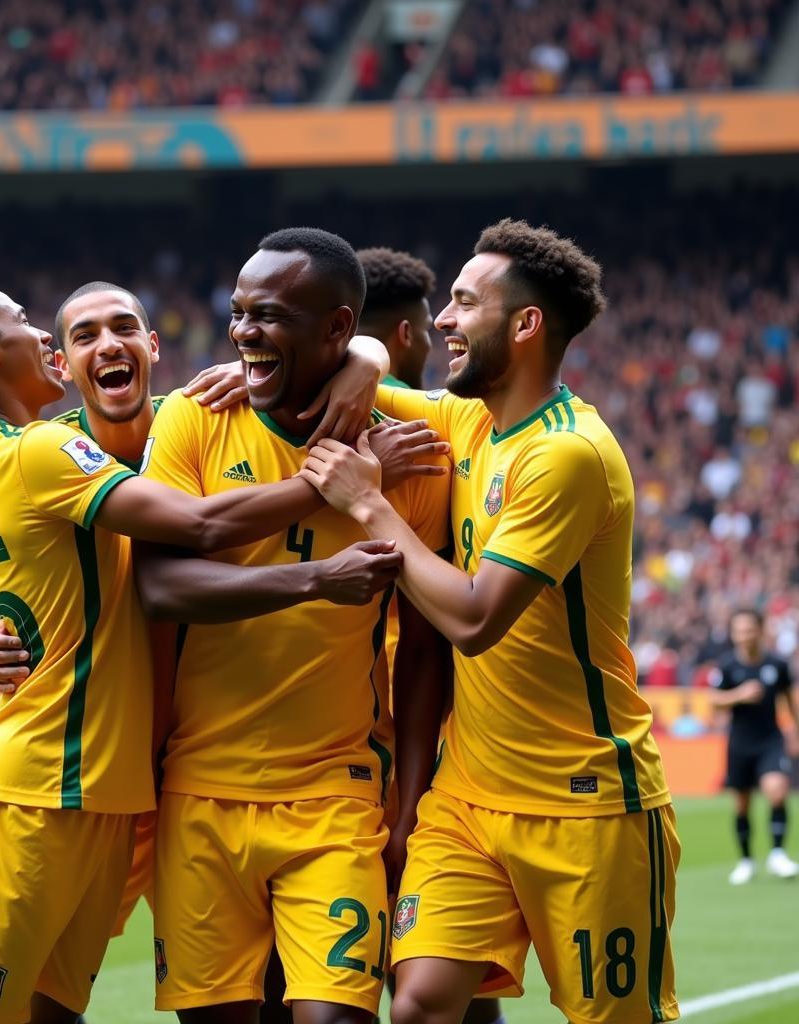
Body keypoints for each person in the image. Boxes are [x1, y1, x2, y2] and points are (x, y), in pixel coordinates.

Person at [0, 238, 393, 1024]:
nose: (63, 339)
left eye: (122, 328)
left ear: (153, 346)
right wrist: (333, 480)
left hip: (151, 783)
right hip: (67, 778)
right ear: (63, 368)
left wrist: (364, 361)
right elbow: (194, 525)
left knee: (57, 1008)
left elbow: (357, 342)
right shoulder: (51, 451)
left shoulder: (198, 423)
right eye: (63, 332)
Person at [299, 219, 680, 1024]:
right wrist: (365, 354)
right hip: (468, 798)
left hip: (588, 803)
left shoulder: (568, 455)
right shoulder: (468, 419)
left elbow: (475, 620)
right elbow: (354, 368)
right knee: (419, 1005)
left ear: (526, 325)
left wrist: (367, 503)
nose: (442, 320)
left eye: (466, 303)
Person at [136, 227, 452, 1024]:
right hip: (200, 791)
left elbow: (424, 653)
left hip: (336, 792)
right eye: (239, 313)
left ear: (339, 330)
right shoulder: (194, 418)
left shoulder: (411, 443)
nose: (243, 333)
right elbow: (159, 581)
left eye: (269, 316)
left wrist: (408, 804)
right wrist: (315, 579)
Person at [356, 246, 504, 1024]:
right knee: (438, 986)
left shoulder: (443, 430)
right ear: (409, 335)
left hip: (370, 748)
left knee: (418, 980)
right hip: (422, 743)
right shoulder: (440, 436)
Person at [708, 607, 799, 884]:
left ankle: (778, 853)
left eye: (749, 630)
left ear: (760, 630)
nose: (744, 635)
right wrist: (739, 695)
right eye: (739, 631)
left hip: (770, 739)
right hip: (740, 743)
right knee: (742, 804)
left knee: (777, 791)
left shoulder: (776, 664)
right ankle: (746, 861)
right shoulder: (726, 667)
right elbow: (713, 701)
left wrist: (794, 732)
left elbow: (788, 699)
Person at [356, 247, 436, 391]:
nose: (429, 345)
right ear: (405, 333)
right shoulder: (414, 408)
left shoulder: (310, 388)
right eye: (426, 329)